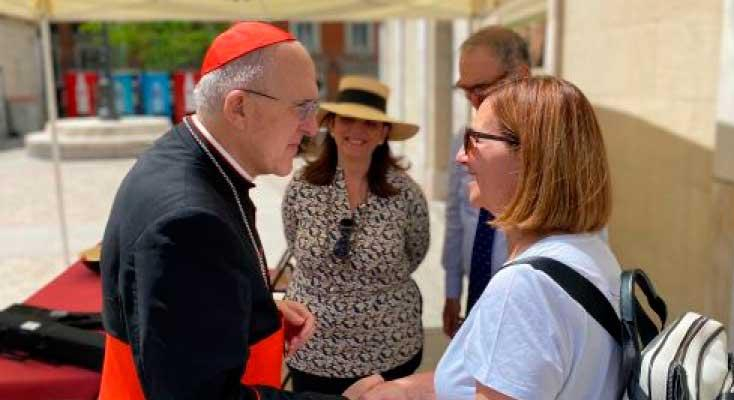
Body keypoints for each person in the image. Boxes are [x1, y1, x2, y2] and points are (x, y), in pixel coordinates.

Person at [97, 22, 380, 400]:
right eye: (302, 108)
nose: (313, 128)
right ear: (239, 107)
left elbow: (182, 313)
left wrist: (254, 310)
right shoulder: (188, 223)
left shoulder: (189, 159)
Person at [358, 76, 622, 399]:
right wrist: (401, 391)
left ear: (530, 155)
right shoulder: (588, 250)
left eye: (475, 140)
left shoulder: (526, 286)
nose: (461, 157)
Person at [282, 75, 430, 395]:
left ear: (384, 133)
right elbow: (295, 241)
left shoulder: (405, 192)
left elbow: (416, 251)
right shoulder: (302, 186)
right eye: (347, 120)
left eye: (370, 124)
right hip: (314, 351)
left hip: (389, 348)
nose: (357, 131)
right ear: (331, 125)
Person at [442, 26, 532, 337]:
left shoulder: (553, 146)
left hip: (526, 309)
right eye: (466, 91)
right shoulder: (464, 137)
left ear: (521, 75)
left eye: (481, 89)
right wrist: (451, 289)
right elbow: (456, 218)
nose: (474, 101)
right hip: (477, 298)